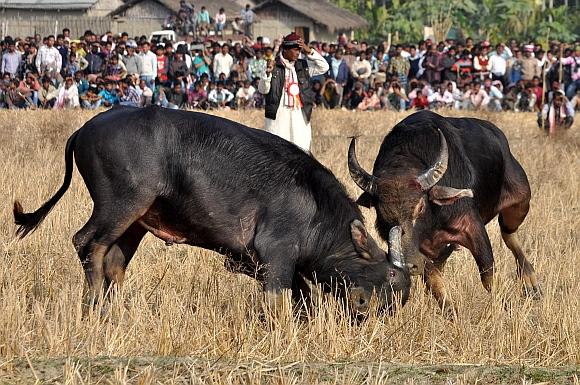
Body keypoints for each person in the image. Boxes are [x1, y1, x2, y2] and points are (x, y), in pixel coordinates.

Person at [258, 33, 329, 152]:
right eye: (295, 50)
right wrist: (268, 74)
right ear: (285, 50)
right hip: (279, 116)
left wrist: (309, 51)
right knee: (277, 153)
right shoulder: (273, 66)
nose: (298, 53)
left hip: (299, 116)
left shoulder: (303, 66)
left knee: (301, 152)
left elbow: (324, 67)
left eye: (300, 50)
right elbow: (263, 89)